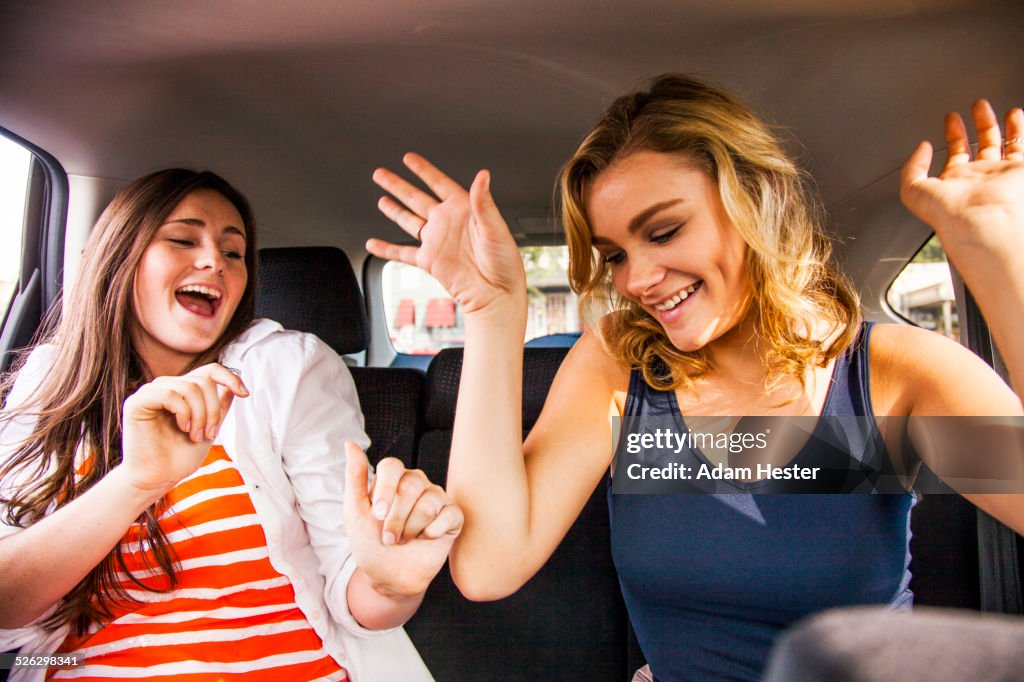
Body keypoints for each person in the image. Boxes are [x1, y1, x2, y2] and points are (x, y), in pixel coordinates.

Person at [368, 74, 1024, 681]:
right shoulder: (622, 371)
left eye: (665, 231)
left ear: (757, 201)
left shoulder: (891, 376)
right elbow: (487, 566)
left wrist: (995, 253)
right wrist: (492, 311)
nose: (635, 280)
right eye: (616, 255)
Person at [0, 169, 461, 681]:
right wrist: (135, 484)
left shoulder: (283, 368)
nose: (214, 262)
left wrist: (390, 587)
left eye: (234, 252)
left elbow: (354, 596)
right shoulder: (47, 381)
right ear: (118, 259)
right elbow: (8, 617)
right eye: (182, 239)